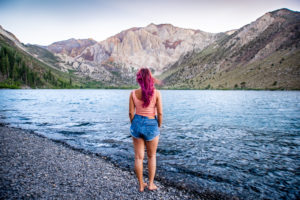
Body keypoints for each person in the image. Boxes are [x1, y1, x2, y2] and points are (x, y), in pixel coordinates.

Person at [129, 68, 163, 192]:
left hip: (137, 122)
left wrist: (134, 124)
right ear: (150, 79)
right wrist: (158, 125)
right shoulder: (157, 93)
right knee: (152, 156)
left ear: (139, 79)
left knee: (138, 157)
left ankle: (141, 185)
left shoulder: (133, 93)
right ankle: (151, 184)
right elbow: (160, 113)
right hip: (151, 123)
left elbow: (130, 113)